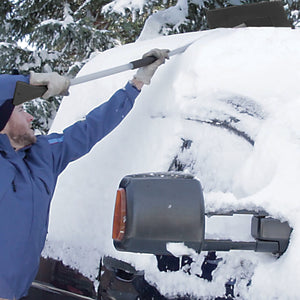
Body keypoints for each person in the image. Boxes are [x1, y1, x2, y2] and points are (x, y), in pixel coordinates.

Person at [0, 48, 169, 300]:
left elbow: (91, 128)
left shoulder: (42, 156)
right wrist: (27, 83)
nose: (31, 116)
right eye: (22, 110)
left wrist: (136, 84)